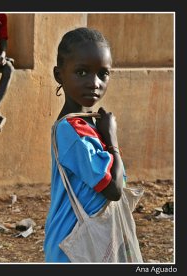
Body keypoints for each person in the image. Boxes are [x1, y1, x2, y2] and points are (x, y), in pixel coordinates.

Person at [43, 27, 128, 262]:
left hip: (88, 242)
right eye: (81, 72)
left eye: (103, 73)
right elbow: (114, 190)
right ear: (59, 75)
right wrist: (112, 139)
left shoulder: (87, 124)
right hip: (72, 247)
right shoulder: (72, 130)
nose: (94, 83)